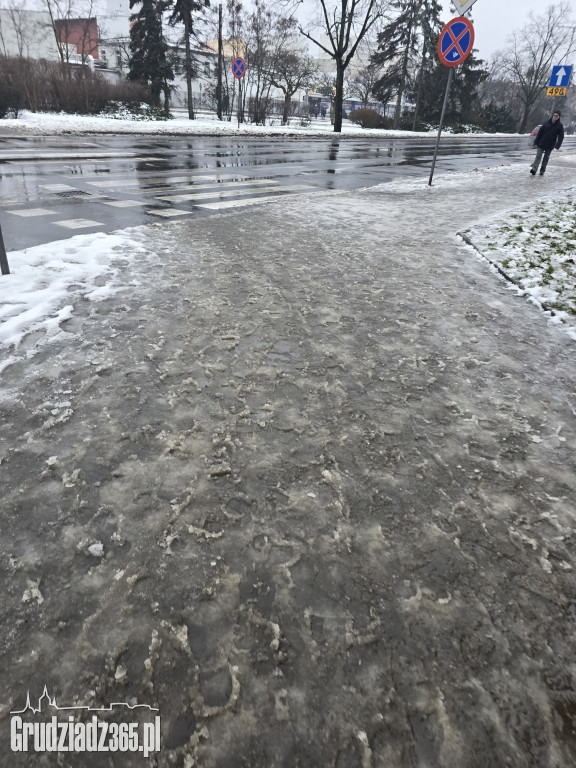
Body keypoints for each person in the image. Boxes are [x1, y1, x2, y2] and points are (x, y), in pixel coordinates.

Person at [530, 111, 564, 176]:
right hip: (542, 143)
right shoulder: (546, 123)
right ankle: (534, 169)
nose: (555, 117)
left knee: (546, 158)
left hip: (550, 144)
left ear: (559, 117)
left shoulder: (559, 126)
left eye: (557, 116)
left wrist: (558, 145)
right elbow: (540, 133)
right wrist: (536, 142)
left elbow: (561, 136)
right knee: (538, 156)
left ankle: (542, 170)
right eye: (554, 115)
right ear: (552, 116)